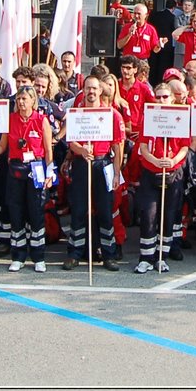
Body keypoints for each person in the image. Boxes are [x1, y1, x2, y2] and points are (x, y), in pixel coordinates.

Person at [63, 76, 126, 270]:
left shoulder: (113, 115)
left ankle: (109, 254)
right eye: (87, 88)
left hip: (103, 163)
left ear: (100, 91)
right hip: (83, 163)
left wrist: (116, 173)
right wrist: (81, 150)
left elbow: (118, 145)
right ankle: (75, 253)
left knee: (106, 211)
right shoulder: (76, 113)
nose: (91, 92)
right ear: (83, 91)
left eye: (94, 89)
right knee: (79, 210)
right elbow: (71, 141)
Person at [0, 84, 52, 272]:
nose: (20, 102)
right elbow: (2, 145)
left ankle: (38, 256)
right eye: (18, 99)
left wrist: (50, 172)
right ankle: (17, 255)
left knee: (36, 212)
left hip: (36, 168)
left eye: (24, 99)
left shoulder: (41, 120)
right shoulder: (10, 120)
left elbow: (48, 149)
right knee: (16, 212)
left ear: (33, 101)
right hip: (16, 169)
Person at [133, 84, 190, 273]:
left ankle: (161, 256)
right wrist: (156, 161)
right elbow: (143, 147)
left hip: (172, 172)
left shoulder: (180, 118)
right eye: (158, 97)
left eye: (165, 97)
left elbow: (184, 146)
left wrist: (172, 160)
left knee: (168, 216)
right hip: (151, 172)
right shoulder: (148, 118)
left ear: (172, 98)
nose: (161, 100)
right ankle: (146, 257)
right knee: (149, 214)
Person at [148, 0, 180, 84]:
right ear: (173, 8)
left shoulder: (155, 15)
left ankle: (152, 82)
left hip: (154, 43)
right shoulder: (172, 17)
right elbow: (174, 31)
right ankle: (161, 82)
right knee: (164, 66)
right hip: (167, 45)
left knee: (153, 64)